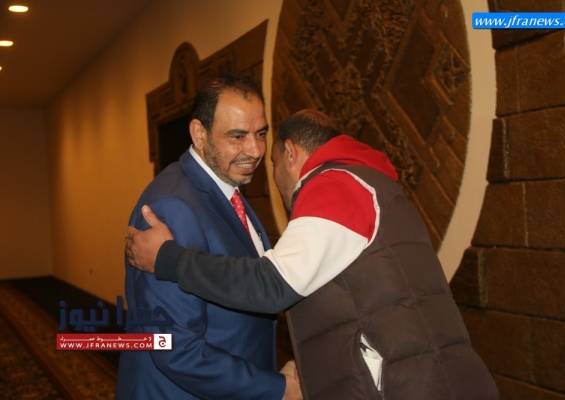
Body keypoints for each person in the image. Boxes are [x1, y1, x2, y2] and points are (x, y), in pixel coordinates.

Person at [126, 110, 499, 399]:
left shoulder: (333, 187)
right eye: (238, 136)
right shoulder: (365, 182)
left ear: (290, 153)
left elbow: (270, 285)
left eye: (269, 154)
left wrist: (168, 258)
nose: (259, 158)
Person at [116, 75, 301, 399]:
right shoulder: (172, 208)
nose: (255, 150)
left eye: (261, 134)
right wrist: (278, 389)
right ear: (199, 134)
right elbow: (175, 348)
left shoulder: (225, 185)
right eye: (237, 136)